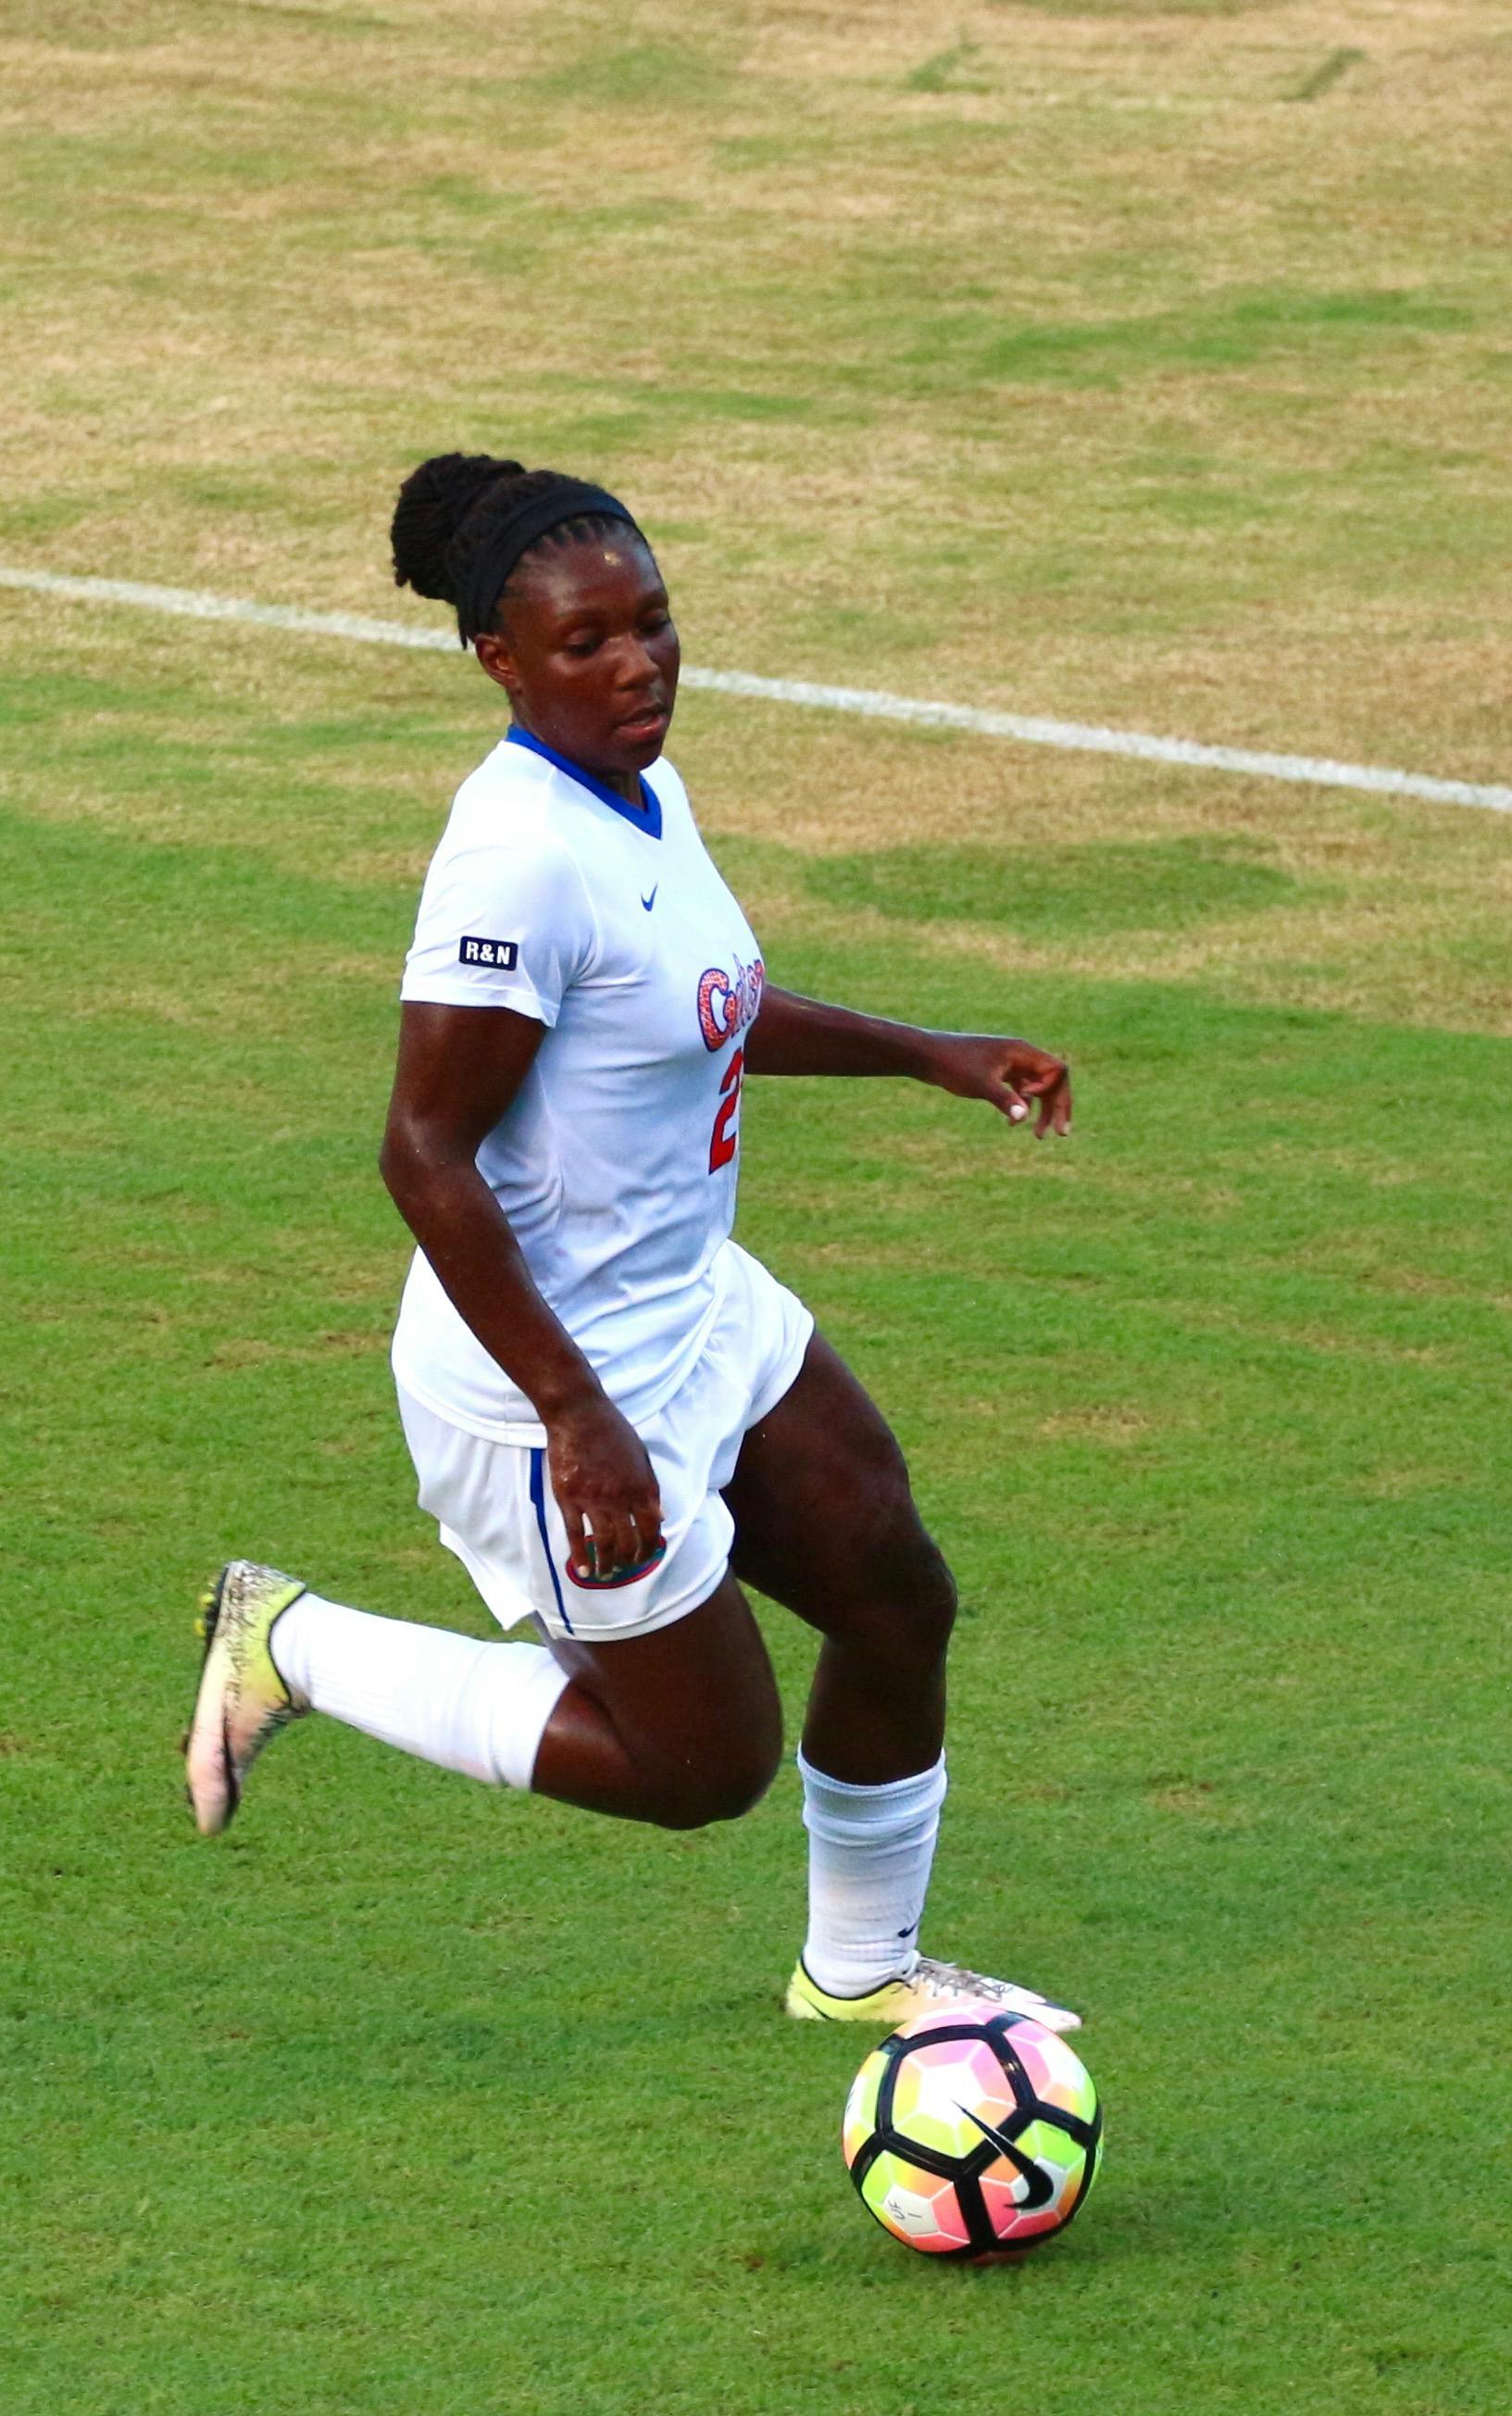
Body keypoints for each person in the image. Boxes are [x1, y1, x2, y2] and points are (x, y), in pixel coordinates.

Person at [183, 453, 1079, 2030]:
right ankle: (292, 1639)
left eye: (651, 623)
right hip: (550, 1380)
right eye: (586, 641)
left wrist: (926, 1049)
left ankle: (861, 1972)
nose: (637, 662)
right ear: (499, 662)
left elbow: (698, 1010)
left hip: (690, 1311)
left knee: (895, 1592)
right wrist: (575, 1416)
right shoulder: (514, 853)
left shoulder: (639, 788)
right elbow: (421, 1150)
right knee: (695, 1766)